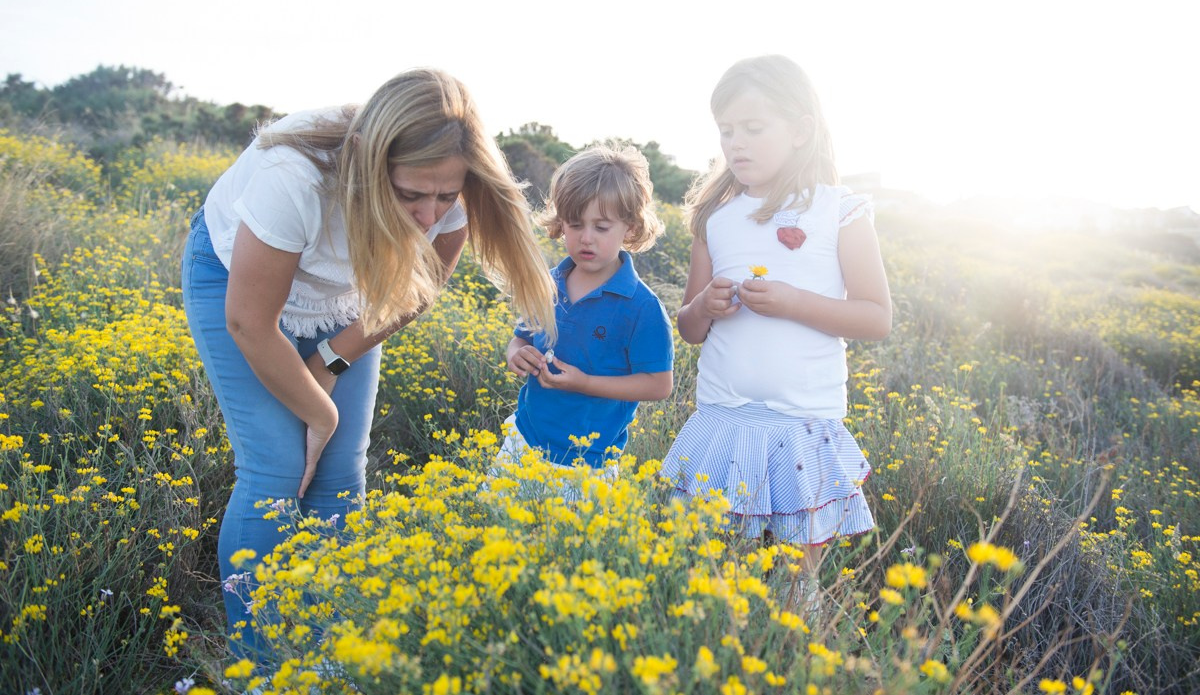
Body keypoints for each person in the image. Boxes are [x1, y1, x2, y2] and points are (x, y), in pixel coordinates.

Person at [180, 68, 557, 660]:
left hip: (347, 297)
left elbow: (415, 292)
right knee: (277, 469)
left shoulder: (445, 187)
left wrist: (331, 361)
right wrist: (320, 413)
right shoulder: (296, 177)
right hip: (237, 283)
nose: (430, 215)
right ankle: (262, 664)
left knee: (340, 476)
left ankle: (323, 652)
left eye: (446, 196)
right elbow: (250, 323)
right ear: (365, 160)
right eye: (410, 196)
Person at [660, 55, 892, 607]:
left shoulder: (840, 211)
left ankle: (796, 662)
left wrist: (792, 302)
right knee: (717, 579)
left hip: (803, 423)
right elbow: (690, 328)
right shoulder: (714, 217)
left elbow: (875, 317)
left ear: (800, 130)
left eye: (753, 128)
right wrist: (707, 305)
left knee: (796, 584)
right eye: (726, 131)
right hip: (724, 418)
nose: (736, 143)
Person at [500, 141, 675, 490]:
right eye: (575, 224)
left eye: (602, 226)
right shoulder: (547, 283)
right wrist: (515, 354)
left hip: (588, 461)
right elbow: (520, 337)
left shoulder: (641, 307)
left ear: (630, 228)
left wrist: (585, 383)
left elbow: (659, 384)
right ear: (560, 223)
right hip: (523, 440)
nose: (586, 238)